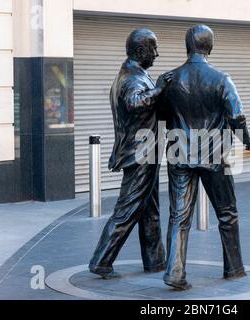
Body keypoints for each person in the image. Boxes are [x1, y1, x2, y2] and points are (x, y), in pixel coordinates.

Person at [158, 25, 250, 290]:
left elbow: (161, 116)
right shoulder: (222, 78)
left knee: (179, 215)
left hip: (179, 154)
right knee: (227, 213)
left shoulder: (169, 79)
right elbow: (236, 115)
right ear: (209, 47)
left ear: (187, 46)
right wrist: (245, 140)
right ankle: (234, 269)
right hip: (214, 153)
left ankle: (175, 272)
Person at [88, 29, 172, 279]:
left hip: (146, 151)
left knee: (149, 209)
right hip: (140, 154)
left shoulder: (136, 74)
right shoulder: (132, 78)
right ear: (140, 51)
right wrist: (159, 90)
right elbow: (135, 104)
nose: (157, 54)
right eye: (153, 48)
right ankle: (101, 260)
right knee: (128, 209)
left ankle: (155, 261)